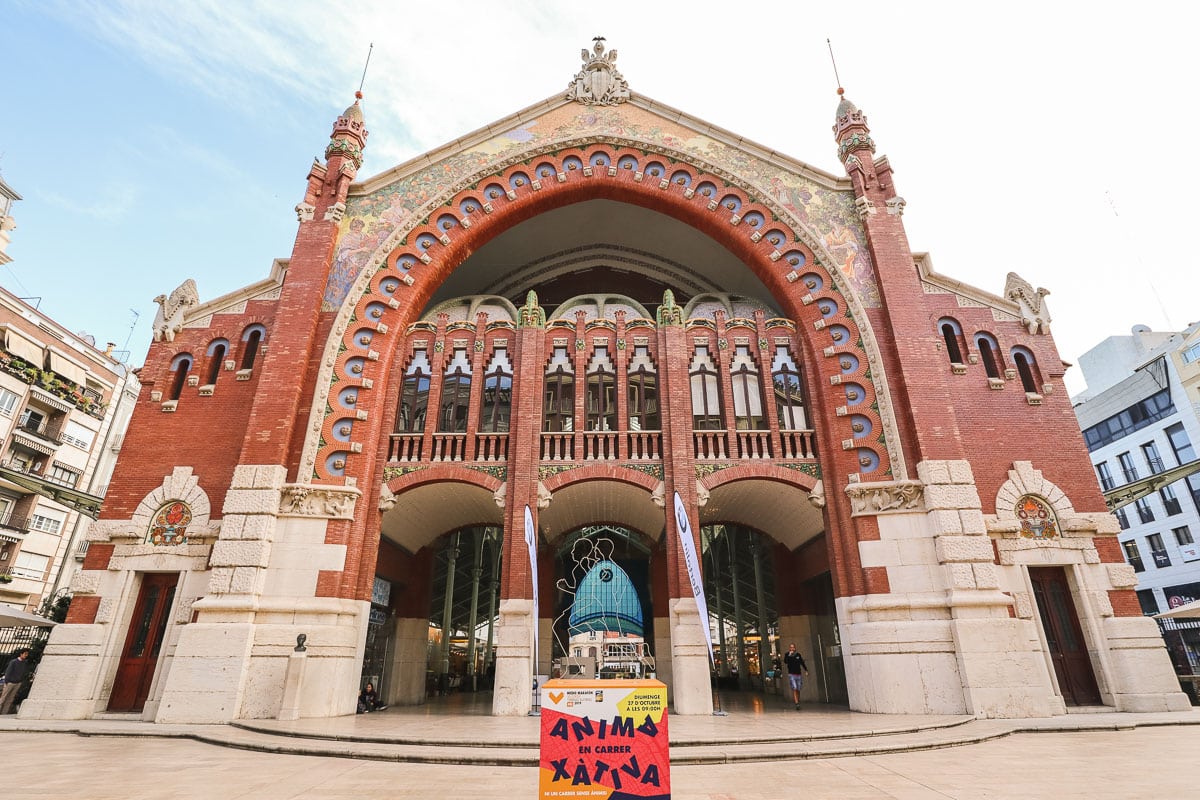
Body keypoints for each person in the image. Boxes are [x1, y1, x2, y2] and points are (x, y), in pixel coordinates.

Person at [1, 648, 32, 714]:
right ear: (21, 654)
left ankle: (4, 713)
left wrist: (20, 681)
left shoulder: (24, 663)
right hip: (10, 683)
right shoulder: (14, 662)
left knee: (10, 699)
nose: (26, 655)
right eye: (25, 654)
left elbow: (23, 672)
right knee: (3, 698)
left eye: (27, 654)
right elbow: (8, 672)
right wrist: (7, 682)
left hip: (17, 683)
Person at [783, 643, 808, 711]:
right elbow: (785, 661)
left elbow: (802, 662)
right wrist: (789, 655)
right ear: (789, 648)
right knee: (795, 688)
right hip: (791, 674)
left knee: (798, 689)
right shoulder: (787, 654)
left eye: (793, 647)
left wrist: (806, 670)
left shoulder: (798, 655)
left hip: (798, 674)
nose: (792, 648)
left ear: (795, 648)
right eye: (791, 647)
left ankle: (798, 701)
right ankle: (797, 703)